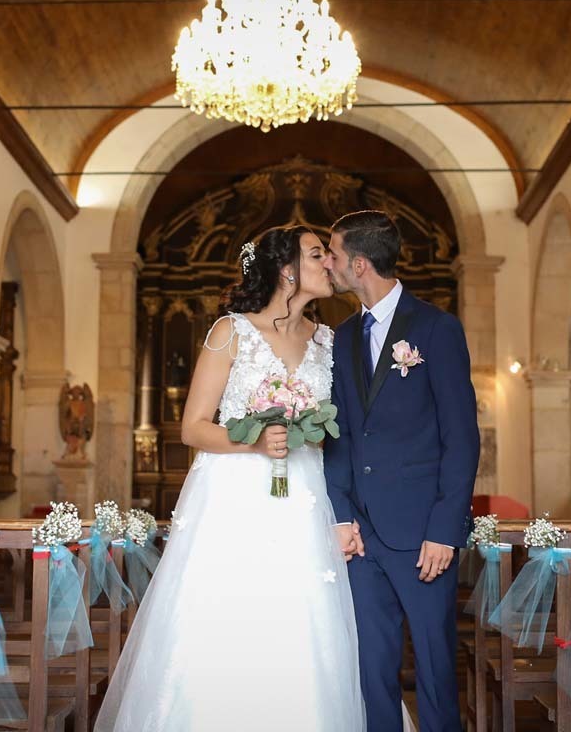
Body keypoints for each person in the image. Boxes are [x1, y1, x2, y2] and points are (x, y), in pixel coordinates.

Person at [94, 226, 368, 731]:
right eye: (317, 255)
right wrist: (255, 440)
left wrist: (341, 511)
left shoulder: (328, 340)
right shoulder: (232, 331)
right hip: (235, 500)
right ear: (286, 270)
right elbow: (193, 427)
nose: (330, 263)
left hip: (305, 498)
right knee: (229, 615)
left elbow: (340, 437)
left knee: (302, 619)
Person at [325, 210, 480, 732]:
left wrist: (445, 530)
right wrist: (342, 516)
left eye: (334, 254)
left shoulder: (436, 328)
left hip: (423, 536)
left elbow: (461, 439)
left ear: (359, 264)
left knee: (435, 669)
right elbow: (340, 436)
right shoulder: (342, 337)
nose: (328, 263)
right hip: (362, 537)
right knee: (372, 671)